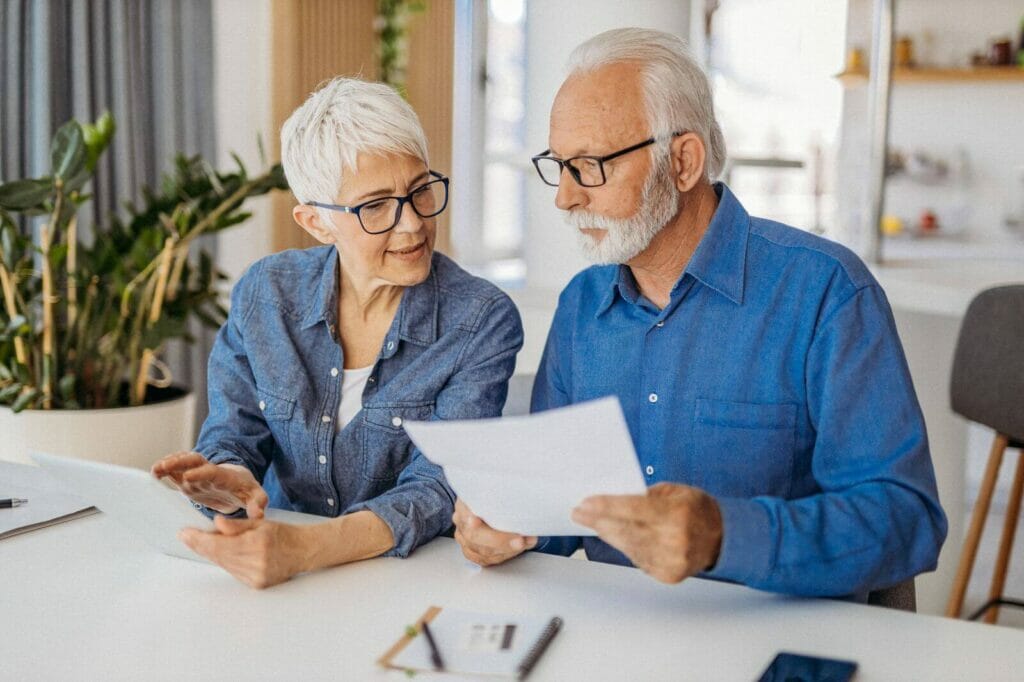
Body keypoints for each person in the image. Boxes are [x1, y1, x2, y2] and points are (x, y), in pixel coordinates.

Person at [452, 28, 946, 599]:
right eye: (558, 165)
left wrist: (724, 536)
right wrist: (509, 526)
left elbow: (907, 520)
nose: (565, 196)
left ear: (683, 161)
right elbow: (565, 516)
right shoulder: (581, 307)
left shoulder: (826, 294)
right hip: (618, 631)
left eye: (589, 166)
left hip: (777, 638)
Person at [152, 77, 523, 589]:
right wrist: (229, 478)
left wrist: (307, 549)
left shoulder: (481, 319)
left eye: (419, 190)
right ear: (316, 222)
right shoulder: (267, 293)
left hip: (406, 581)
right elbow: (234, 434)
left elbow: (439, 486)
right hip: (279, 571)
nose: (413, 224)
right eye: (375, 206)